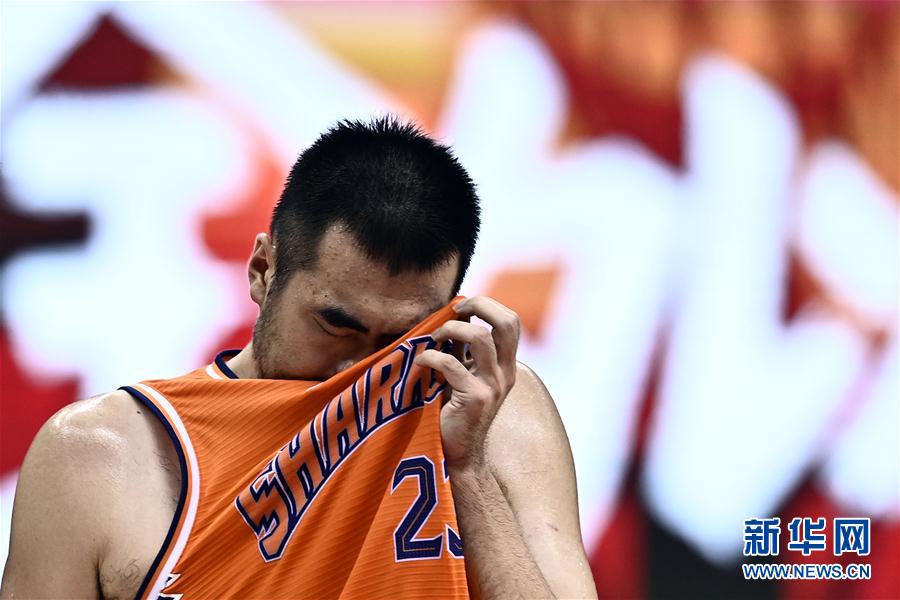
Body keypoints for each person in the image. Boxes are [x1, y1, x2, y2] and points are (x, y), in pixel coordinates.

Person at [1, 117, 597, 599]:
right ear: (264, 270)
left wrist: (467, 472)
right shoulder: (101, 453)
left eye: (401, 338)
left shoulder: (495, 414)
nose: (358, 369)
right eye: (336, 324)